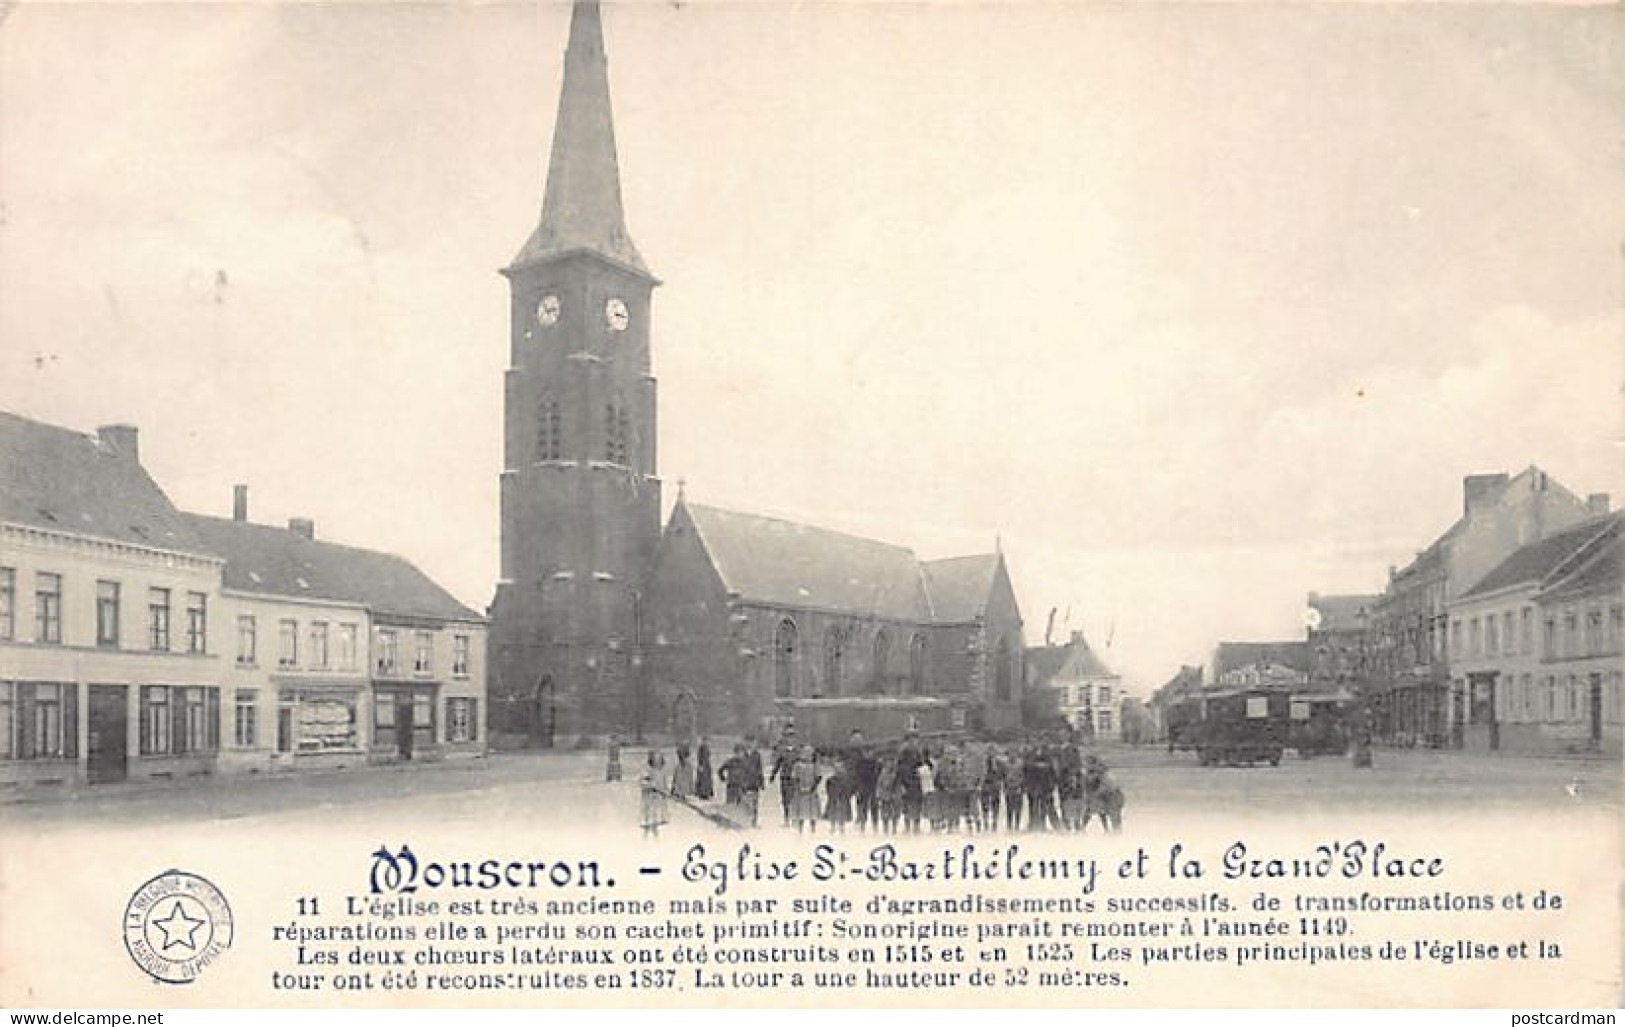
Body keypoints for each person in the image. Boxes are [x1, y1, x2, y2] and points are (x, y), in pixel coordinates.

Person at [769, 727, 799, 826]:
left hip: (795, 778)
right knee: (785, 799)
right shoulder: (782, 751)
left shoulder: (798, 751)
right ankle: (786, 819)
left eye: (792, 736)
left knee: (794, 798)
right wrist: (773, 775)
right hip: (784, 777)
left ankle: (795, 819)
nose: (790, 739)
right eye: (788, 736)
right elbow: (778, 763)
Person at [791, 746, 822, 833]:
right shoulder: (797, 765)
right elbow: (794, 777)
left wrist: (813, 787)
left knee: (813, 811)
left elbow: (818, 777)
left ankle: (813, 829)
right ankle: (800, 829)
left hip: (812, 791)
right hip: (800, 791)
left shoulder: (815, 765)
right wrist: (797, 787)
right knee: (800, 811)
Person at [640, 751, 670, 839]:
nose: (657, 762)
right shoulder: (647, 771)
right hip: (649, 797)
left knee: (656, 817)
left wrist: (665, 791)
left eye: (659, 760)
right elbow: (642, 782)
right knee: (649, 817)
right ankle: (647, 836)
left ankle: (655, 835)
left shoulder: (662, 772)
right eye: (656, 760)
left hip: (659, 798)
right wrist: (650, 785)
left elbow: (664, 784)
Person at [739, 739, 765, 828]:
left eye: (752, 743)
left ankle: (754, 822)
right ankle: (745, 821)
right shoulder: (742, 755)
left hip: (754, 782)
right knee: (745, 802)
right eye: (748, 743)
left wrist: (761, 782)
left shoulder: (757, 755)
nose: (750, 745)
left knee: (754, 803)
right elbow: (740, 769)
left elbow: (760, 769)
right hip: (745, 782)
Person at [694, 737, 715, 801]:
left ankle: (706, 794)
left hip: (706, 765)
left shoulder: (705, 747)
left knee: (706, 780)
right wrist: (701, 765)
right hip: (703, 765)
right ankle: (703, 794)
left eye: (707, 741)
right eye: (705, 741)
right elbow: (700, 757)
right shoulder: (702, 747)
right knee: (703, 780)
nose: (706, 742)